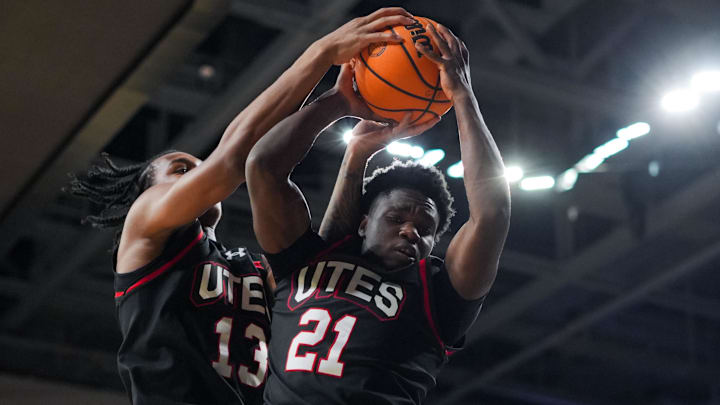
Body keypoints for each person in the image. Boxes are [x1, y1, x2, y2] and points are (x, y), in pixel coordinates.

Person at [68, 8, 417, 405]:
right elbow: (231, 159)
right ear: (149, 193)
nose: (197, 172)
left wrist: (354, 151)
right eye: (181, 169)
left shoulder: (248, 267)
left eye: (197, 167)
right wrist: (320, 55)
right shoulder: (146, 224)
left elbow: (321, 266)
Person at [245, 22, 511, 404]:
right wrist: (337, 104)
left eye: (425, 227)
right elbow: (263, 167)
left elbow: (493, 213)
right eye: (396, 217)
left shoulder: (439, 293)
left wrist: (463, 96)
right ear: (364, 222)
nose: (410, 231)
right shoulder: (306, 260)